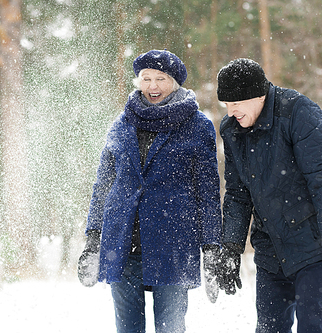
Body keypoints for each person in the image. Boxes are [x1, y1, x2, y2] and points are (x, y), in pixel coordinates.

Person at [77, 49, 222, 333]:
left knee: (170, 328)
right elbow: (103, 185)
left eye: (160, 79)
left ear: (175, 83)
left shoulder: (197, 126)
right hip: (122, 243)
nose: (152, 86)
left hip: (173, 245)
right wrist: (94, 239)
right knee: (127, 328)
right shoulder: (122, 123)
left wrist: (211, 248)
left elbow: (208, 192)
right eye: (146, 79)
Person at [215, 58, 322, 333]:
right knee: (269, 328)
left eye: (236, 103)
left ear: (259, 95)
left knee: (312, 326)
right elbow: (237, 194)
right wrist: (232, 247)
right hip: (270, 248)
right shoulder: (232, 130)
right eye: (226, 104)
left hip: (313, 246)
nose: (231, 111)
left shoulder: (299, 113)